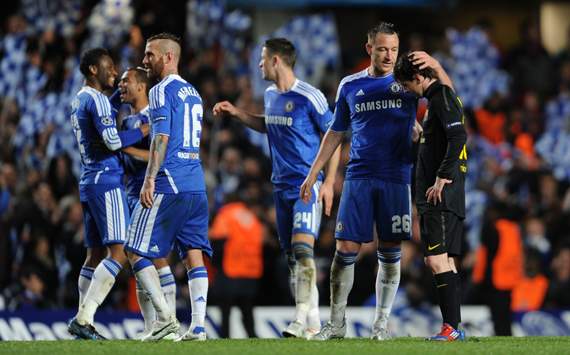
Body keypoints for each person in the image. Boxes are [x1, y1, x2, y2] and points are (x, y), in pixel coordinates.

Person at [300, 22, 450, 340]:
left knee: (391, 249)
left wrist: (436, 69)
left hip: (396, 176)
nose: (389, 55)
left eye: (394, 50)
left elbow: (447, 100)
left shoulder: (407, 81)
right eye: (382, 49)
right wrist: (315, 173)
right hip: (358, 175)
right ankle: (337, 323)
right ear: (370, 49)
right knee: (345, 247)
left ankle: (381, 324)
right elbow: (336, 132)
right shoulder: (350, 85)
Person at [213, 37, 341, 338]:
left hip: (306, 186)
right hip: (280, 188)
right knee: (294, 258)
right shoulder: (270, 95)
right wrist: (238, 113)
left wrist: (328, 183)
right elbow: (267, 124)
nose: (258, 64)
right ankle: (313, 323)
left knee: (302, 248)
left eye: (262, 58)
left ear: (275, 61)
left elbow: (334, 138)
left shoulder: (311, 96)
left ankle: (298, 319)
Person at [124, 32, 212, 342]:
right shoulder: (194, 92)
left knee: (133, 249)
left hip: (170, 181)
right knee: (193, 254)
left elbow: (161, 138)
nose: (144, 60)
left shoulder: (160, 91)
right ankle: (199, 328)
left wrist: (149, 178)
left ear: (169, 57)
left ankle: (164, 319)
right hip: (196, 185)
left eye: (150, 55)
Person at [67, 48, 149, 340]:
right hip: (107, 180)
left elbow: (104, 117)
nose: (115, 73)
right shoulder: (98, 99)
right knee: (119, 251)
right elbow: (112, 140)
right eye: (110, 68)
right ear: (92, 69)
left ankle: (81, 323)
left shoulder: (79, 98)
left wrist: (117, 98)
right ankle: (84, 317)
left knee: (94, 255)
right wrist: (143, 130)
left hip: (88, 181)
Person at [393, 51, 467, 341]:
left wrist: (441, 176)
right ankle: (454, 328)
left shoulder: (440, 97)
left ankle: (452, 329)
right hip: (443, 196)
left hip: (440, 196)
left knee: (437, 261)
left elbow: (459, 136)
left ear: (418, 78)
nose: (407, 90)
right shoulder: (441, 99)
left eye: (407, 84)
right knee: (443, 261)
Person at [116, 67, 177, 339]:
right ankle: (152, 326)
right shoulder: (128, 120)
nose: (121, 85)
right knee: (139, 260)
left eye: (126, 81)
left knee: (152, 255)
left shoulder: (156, 115)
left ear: (141, 86)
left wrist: (125, 148)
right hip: (131, 191)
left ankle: (168, 319)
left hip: (151, 191)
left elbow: (159, 155)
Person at [209, 189, 264, 338]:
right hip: (250, 273)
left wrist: (215, 266)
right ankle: (253, 337)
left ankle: (225, 338)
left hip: (230, 271)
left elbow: (218, 241)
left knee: (225, 311)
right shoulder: (251, 217)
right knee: (247, 310)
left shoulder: (226, 215)